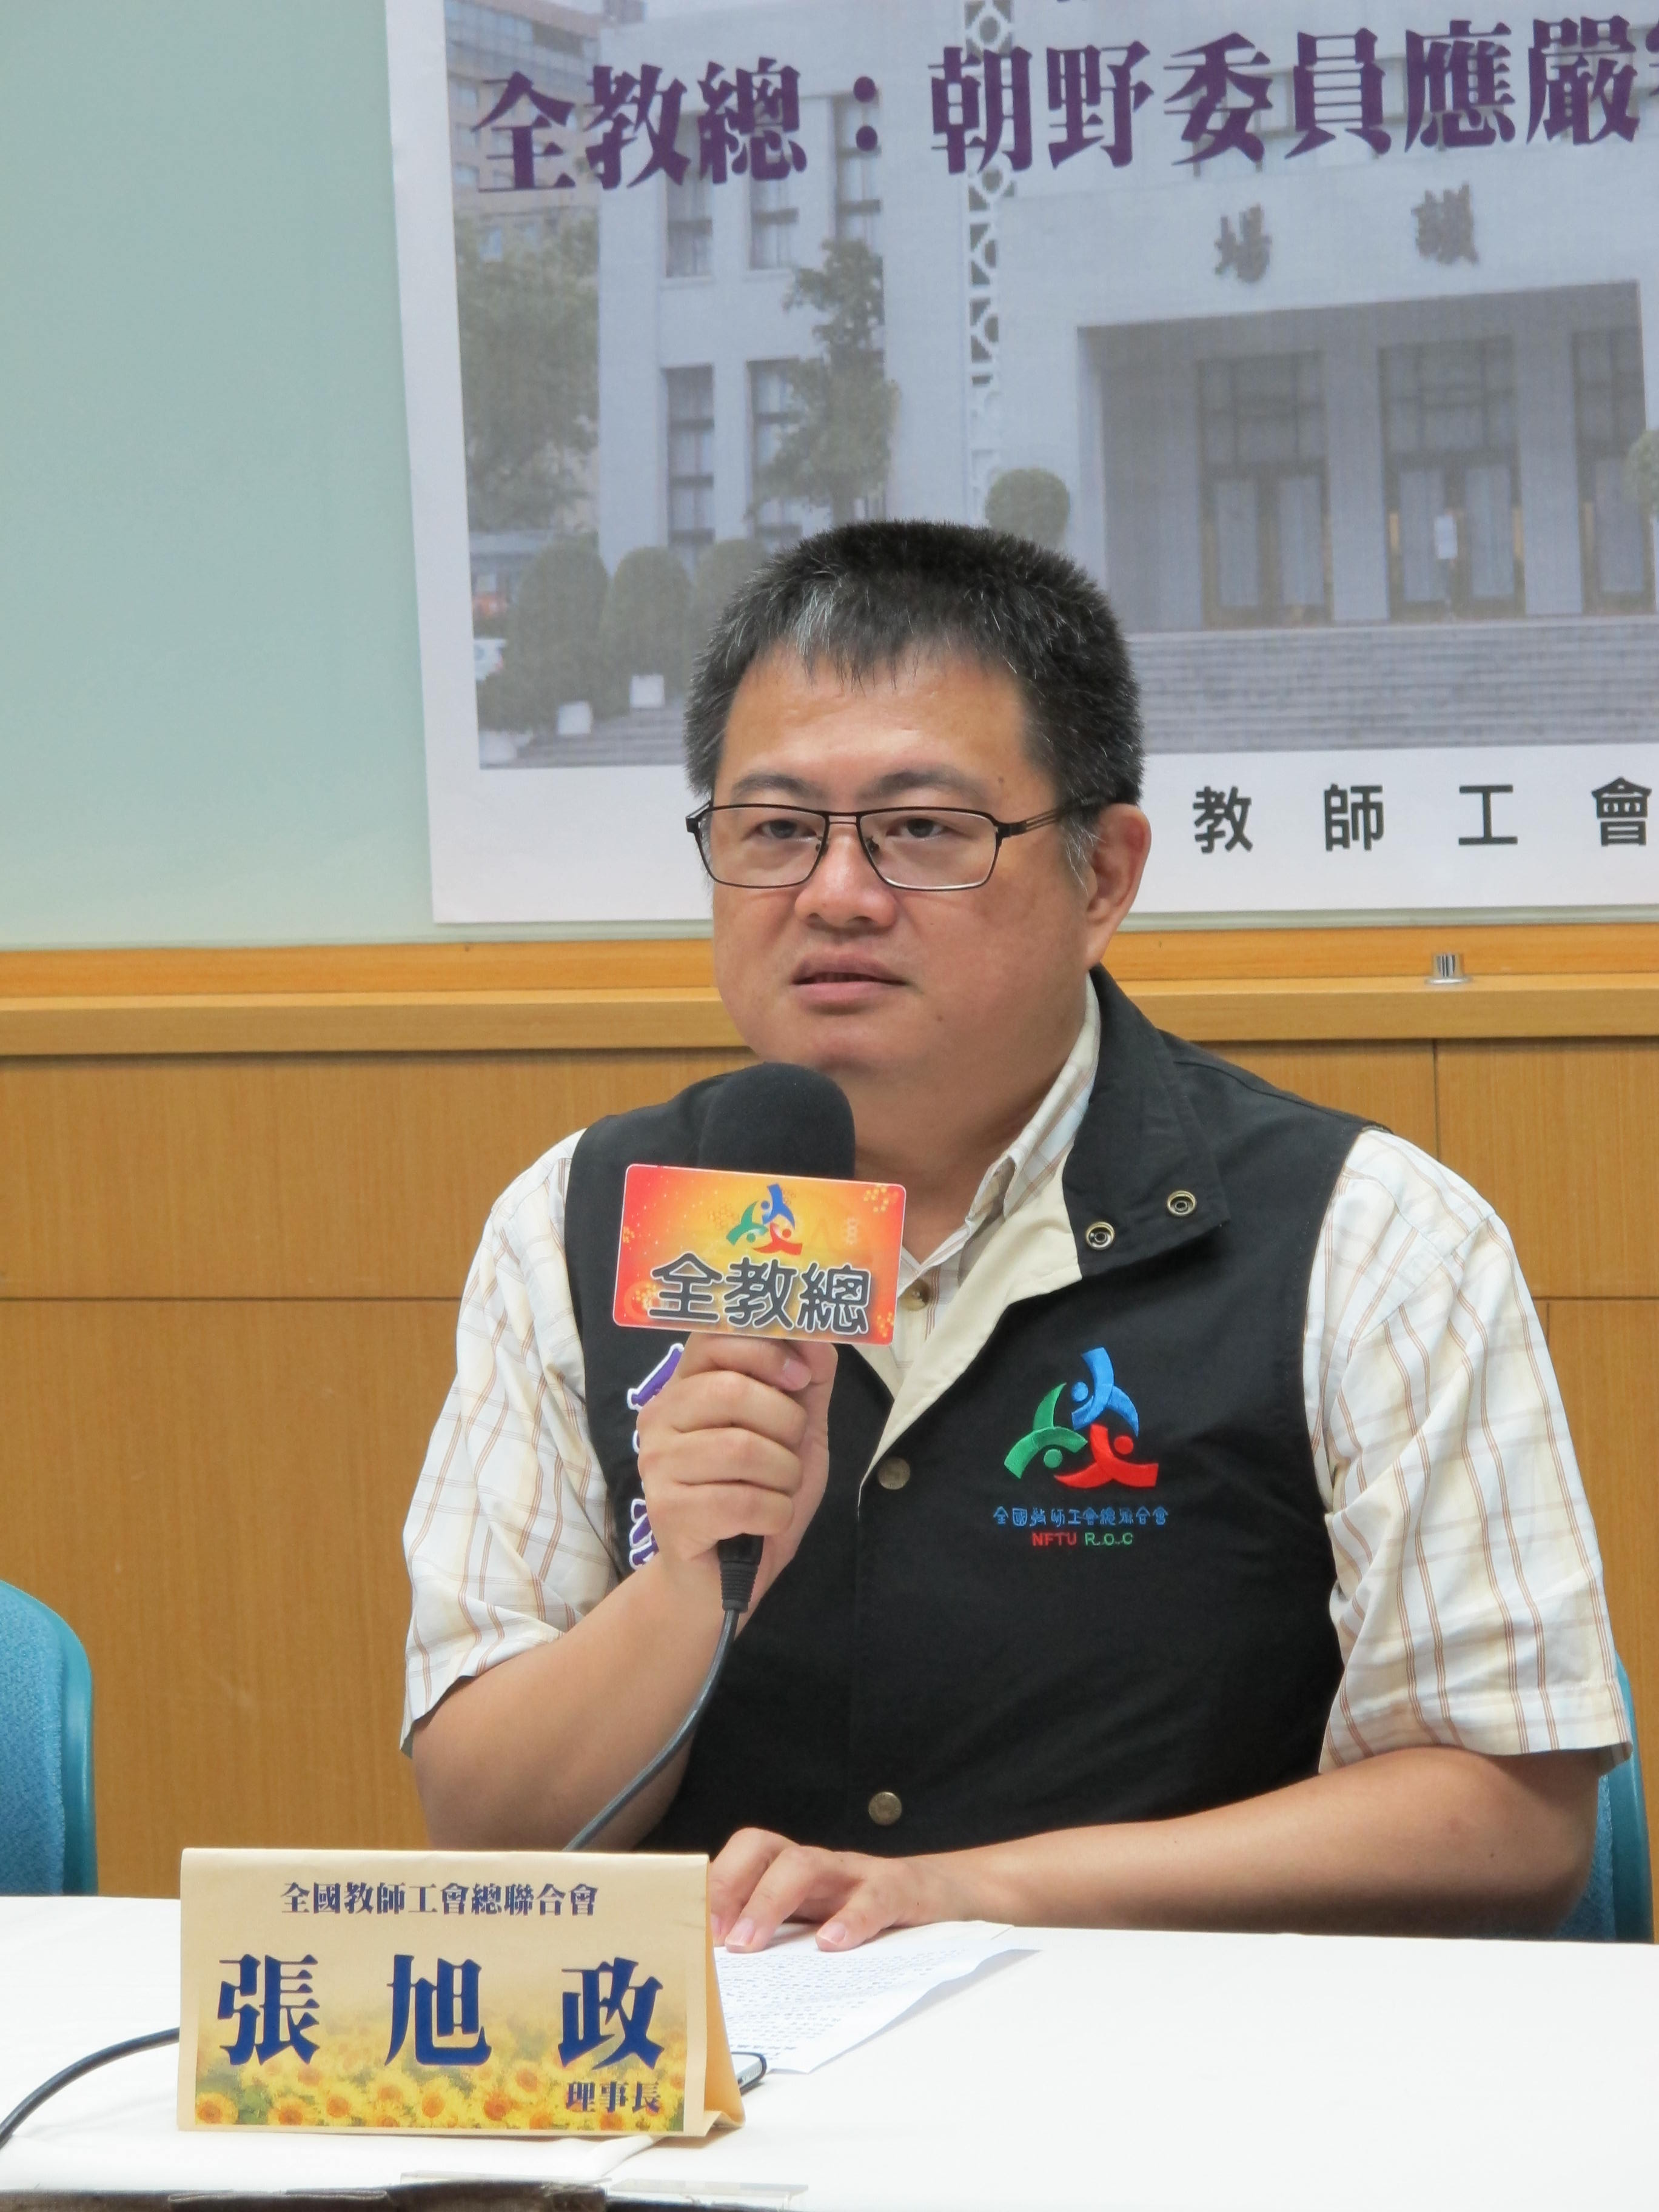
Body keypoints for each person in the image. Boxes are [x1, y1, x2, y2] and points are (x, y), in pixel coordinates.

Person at [403, 521, 1629, 1952]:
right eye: (776, 830)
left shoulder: (1369, 1237)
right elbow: (488, 1834)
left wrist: (977, 1895)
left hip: (1183, 2063)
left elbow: (1511, 1820)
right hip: (728, 2070)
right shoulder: (577, 1220)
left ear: (1103, 876)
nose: (837, 893)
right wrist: (689, 1587)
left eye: (924, 830)